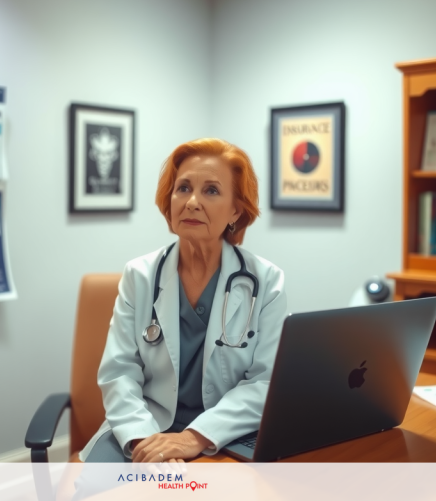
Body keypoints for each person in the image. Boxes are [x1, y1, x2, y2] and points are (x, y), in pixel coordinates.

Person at [79, 138, 287, 464]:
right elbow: (120, 373)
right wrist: (148, 443)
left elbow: (265, 382)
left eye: (211, 190)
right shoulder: (140, 276)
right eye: (183, 188)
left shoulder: (266, 282)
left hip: (226, 430)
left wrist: (193, 438)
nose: (191, 202)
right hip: (143, 424)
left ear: (235, 210)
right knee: (100, 487)